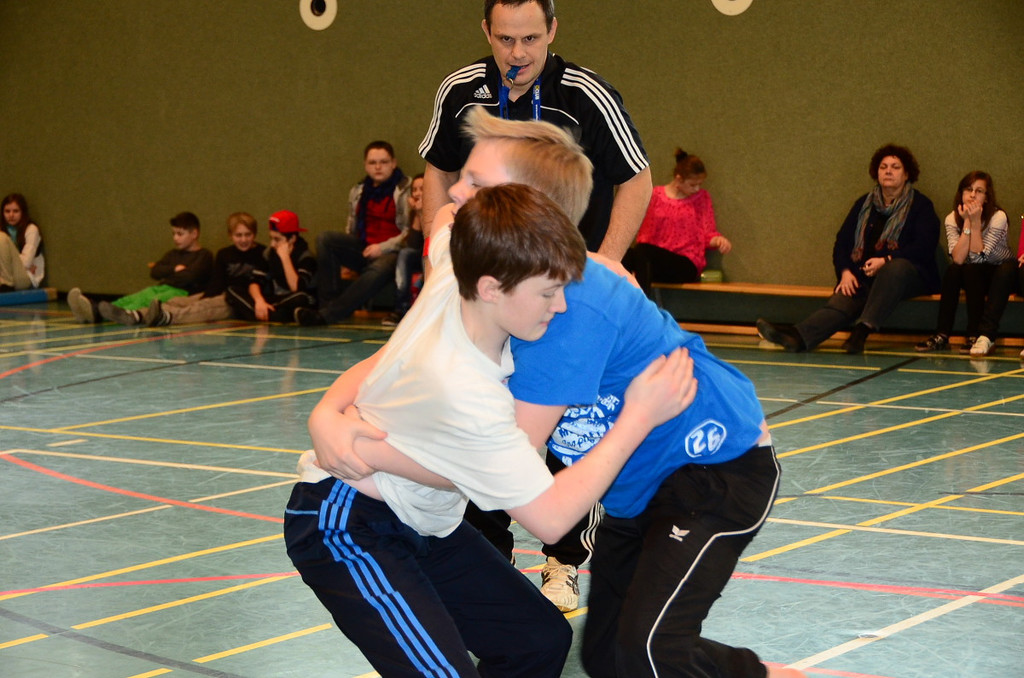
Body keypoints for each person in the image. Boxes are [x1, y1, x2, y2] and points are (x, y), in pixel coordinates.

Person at [316, 112, 806, 678]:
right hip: (633, 486)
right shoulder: (486, 265)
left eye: (476, 182)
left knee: (648, 653)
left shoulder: (560, 311)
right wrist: (327, 414)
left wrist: (366, 450)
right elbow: (407, 341)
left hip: (711, 467)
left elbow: (508, 475)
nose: (454, 192)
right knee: (607, 659)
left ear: (527, 206)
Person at [285, 183, 696, 678]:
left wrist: (326, 412)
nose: (561, 306)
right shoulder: (470, 392)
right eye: (547, 292)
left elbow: (446, 220)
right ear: (492, 288)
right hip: (351, 522)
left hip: (428, 522)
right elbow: (551, 519)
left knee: (539, 640)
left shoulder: (453, 275)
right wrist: (638, 417)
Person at [418, 0, 652, 260]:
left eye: (530, 38)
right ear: (487, 31)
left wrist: (606, 263)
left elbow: (637, 181)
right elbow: (440, 172)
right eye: (506, 39)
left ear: (551, 30)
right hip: (483, 266)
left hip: (570, 268)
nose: (517, 53)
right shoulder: (459, 90)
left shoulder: (588, 96)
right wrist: (433, 260)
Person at [757, 144, 940, 354]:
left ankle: (861, 332)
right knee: (843, 300)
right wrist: (845, 272)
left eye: (895, 167)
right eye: (883, 167)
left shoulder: (921, 206)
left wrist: (886, 260)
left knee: (895, 268)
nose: (888, 171)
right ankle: (798, 336)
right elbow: (842, 243)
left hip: (912, 277)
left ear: (907, 174)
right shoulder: (864, 204)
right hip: (866, 276)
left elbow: (924, 247)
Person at [299, 141, 411, 325]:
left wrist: (382, 248)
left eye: (383, 162)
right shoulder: (358, 191)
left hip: (393, 251)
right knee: (325, 239)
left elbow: (409, 232)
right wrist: (346, 260)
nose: (378, 167)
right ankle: (327, 306)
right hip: (364, 247)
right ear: (365, 165)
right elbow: (351, 226)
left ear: (393, 163)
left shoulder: (406, 190)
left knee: (379, 268)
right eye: (372, 162)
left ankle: (327, 315)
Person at [915, 172, 1015, 356]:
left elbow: (979, 258)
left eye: (979, 191)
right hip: (972, 270)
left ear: (987, 197)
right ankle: (942, 334)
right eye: (968, 189)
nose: (972, 195)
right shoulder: (952, 218)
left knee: (974, 269)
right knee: (954, 271)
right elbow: (959, 259)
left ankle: (974, 334)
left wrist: (975, 222)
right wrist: (968, 221)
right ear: (961, 193)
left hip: (1000, 273)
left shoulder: (998, 217)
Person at [68, 211, 213, 324]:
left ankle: (108, 314)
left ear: (194, 234)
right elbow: (155, 272)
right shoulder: (173, 254)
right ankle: (95, 309)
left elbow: (190, 276)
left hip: (181, 292)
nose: (175, 238)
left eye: (180, 234)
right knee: (133, 297)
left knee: (146, 300)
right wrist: (174, 269)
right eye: (173, 234)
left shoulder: (204, 255)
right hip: (162, 286)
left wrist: (169, 273)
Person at [623, 150, 732, 294]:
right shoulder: (656, 196)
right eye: (692, 185)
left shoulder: (702, 198)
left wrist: (718, 240)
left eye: (699, 184)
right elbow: (647, 233)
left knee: (643, 252)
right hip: (656, 258)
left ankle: (641, 302)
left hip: (686, 262)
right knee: (625, 254)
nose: (697, 189)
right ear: (679, 179)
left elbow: (707, 233)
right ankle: (619, 301)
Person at [144, 212, 266, 326]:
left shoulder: (262, 253)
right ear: (230, 235)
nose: (243, 240)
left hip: (236, 302)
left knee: (203, 307)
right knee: (180, 301)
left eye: (248, 235)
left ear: (254, 234)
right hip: (221, 293)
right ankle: (141, 314)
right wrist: (204, 297)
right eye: (238, 235)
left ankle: (167, 317)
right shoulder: (224, 254)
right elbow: (216, 283)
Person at [225, 210, 316, 323]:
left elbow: (296, 288)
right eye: (271, 238)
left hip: (292, 298)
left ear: (292, 239)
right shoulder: (269, 253)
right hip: (273, 300)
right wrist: (259, 301)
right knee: (232, 290)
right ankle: (272, 315)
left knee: (303, 298)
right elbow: (254, 282)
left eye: (277, 239)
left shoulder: (306, 256)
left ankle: (263, 314)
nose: (272, 244)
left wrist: (285, 258)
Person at [384, 173, 425, 326]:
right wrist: (418, 214)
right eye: (414, 190)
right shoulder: (413, 211)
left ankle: (425, 308)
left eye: (422, 189)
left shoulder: (441, 208)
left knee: (426, 256)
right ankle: (401, 307)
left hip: (435, 254)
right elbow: (413, 244)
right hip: (418, 254)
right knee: (405, 253)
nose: (418, 193)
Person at [1, 193, 44, 291]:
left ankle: (6, 286)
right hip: (4, 275)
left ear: (23, 212)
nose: (11, 215)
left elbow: (26, 262)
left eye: (16, 211)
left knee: (1, 238)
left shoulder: (31, 229)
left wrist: (7, 262)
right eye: (7, 211)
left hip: (25, 277)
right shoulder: (2, 228)